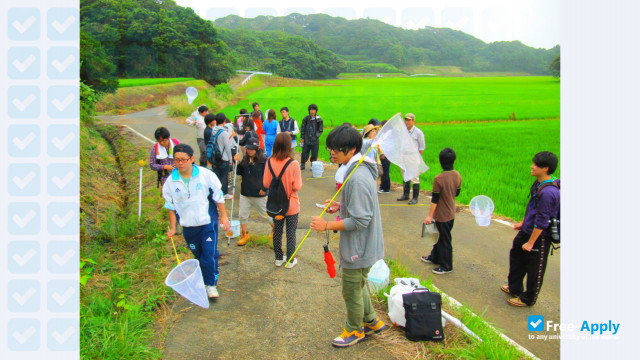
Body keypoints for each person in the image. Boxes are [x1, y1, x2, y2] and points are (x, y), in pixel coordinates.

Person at [309, 125, 388, 348]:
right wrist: (340, 205)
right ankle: (371, 321)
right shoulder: (356, 169)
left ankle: (355, 329)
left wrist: (327, 225)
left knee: (351, 287)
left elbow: (361, 220)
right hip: (363, 244)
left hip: (360, 246)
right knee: (358, 283)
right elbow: (358, 209)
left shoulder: (358, 177)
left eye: (337, 149)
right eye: (330, 148)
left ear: (352, 149)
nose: (332, 153)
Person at [163, 144, 231, 299]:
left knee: (207, 255)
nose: (180, 163)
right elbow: (170, 207)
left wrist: (224, 217)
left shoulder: (205, 175)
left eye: (184, 160)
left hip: (207, 222)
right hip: (189, 227)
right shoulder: (170, 183)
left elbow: (218, 196)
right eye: (177, 160)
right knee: (199, 255)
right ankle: (209, 266)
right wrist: (173, 228)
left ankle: (211, 285)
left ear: (192, 159)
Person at [502, 151, 560, 307]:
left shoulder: (549, 192)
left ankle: (528, 299)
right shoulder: (538, 183)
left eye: (536, 165)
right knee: (516, 255)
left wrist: (531, 242)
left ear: (545, 168)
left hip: (540, 235)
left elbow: (542, 220)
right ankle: (514, 287)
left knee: (535, 268)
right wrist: (523, 222)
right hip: (528, 229)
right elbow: (532, 206)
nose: (532, 166)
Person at [263, 133, 302, 269]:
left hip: (276, 205)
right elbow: (297, 186)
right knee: (291, 232)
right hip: (291, 204)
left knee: (277, 231)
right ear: (288, 146)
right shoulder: (294, 164)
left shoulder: (269, 161)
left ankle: (278, 258)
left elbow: (266, 183)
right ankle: (290, 260)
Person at [421, 148, 462, 275]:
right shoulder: (457, 175)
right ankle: (435, 257)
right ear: (454, 161)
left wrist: (429, 216)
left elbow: (435, 200)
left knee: (444, 240)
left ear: (440, 162)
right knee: (438, 237)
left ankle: (447, 266)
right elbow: (457, 193)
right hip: (451, 213)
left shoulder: (438, 179)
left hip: (442, 215)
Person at [233, 138, 274, 245]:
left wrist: (264, 188)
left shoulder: (264, 160)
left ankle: (275, 230)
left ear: (257, 148)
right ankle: (244, 234)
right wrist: (237, 163)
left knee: (266, 215)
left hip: (259, 194)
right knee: (242, 215)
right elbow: (239, 173)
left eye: (252, 149)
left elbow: (270, 176)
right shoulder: (245, 159)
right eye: (248, 149)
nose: (249, 151)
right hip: (245, 193)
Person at [396, 113, 425, 205]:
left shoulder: (418, 132)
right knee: (405, 176)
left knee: (414, 178)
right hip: (403, 156)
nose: (407, 122)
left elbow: (421, 147)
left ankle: (415, 197)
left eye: (409, 120)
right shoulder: (403, 131)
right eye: (406, 120)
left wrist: (416, 157)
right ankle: (405, 194)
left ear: (413, 121)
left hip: (413, 157)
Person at [209, 115, 234, 200]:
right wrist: (231, 160)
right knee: (224, 176)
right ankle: (224, 193)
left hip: (215, 157)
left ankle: (217, 192)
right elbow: (227, 147)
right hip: (223, 157)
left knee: (217, 175)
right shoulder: (224, 133)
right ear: (224, 121)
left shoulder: (213, 130)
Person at [300, 104, 323, 170]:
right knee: (304, 152)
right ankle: (302, 164)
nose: (312, 111)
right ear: (309, 110)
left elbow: (320, 129)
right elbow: (303, 128)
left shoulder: (319, 119)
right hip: (306, 139)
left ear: (316, 111)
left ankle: (313, 166)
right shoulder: (306, 119)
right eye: (311, 110)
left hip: (315, 140)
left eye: (313, 110)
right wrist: (302, 138)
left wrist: (315, 136)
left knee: (314, 154)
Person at [378, 120, 391, 194]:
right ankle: (382, 186)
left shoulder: (389, 135)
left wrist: (384, 154)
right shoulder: (384, 134)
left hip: (386, 156)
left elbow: (389, 146)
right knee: (383, 172)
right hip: (382, 154)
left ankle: (386, 188)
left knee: (385, 172)